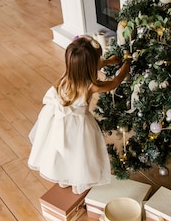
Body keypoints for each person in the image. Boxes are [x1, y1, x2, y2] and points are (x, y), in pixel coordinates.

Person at [28, 35, 131, 194]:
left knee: (65, 151)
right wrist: (126, 67)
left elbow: (90, 66)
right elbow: (114, 83)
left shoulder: (67, 75)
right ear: (90, 66)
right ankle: (79, 184)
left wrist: (109, 61)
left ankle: (64, 179)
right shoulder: (91, 86)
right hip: (79, 127)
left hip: (60, 124)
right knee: (80, 154)